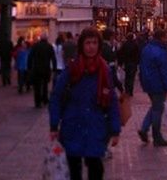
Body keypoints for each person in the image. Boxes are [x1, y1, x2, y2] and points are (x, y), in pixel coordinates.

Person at [49, 27, 121, 180]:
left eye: (94, 43)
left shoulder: (104, 70)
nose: (91, 47)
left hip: (96, 127)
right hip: (73, 126)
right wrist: (54, 125)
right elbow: (56, 96)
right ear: (82, 45)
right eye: (88, 43)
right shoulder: (72, 68)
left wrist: (115, 129)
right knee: (74, 170)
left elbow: (112, 101)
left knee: (96, 168)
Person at [137, 28, 167, 146]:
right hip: (157, 84)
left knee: (154, 106)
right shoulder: (161, 51)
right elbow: (165, 71)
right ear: (162, 38)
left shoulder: (146, 48)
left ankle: (144, 129)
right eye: (166, 37)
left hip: (148, 82)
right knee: (158, 110)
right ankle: (157, 136)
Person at [27, 32, 57, 108]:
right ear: (46, 38)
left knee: (37, 86)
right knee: (45, 85)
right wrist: (54, 68)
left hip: (36, 68)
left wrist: (29, 67)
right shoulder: (49, 46)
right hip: (46, 68)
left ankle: (37, 102)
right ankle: (45, 99)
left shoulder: (35, 46)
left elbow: (30, 57)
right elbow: (53, 58)